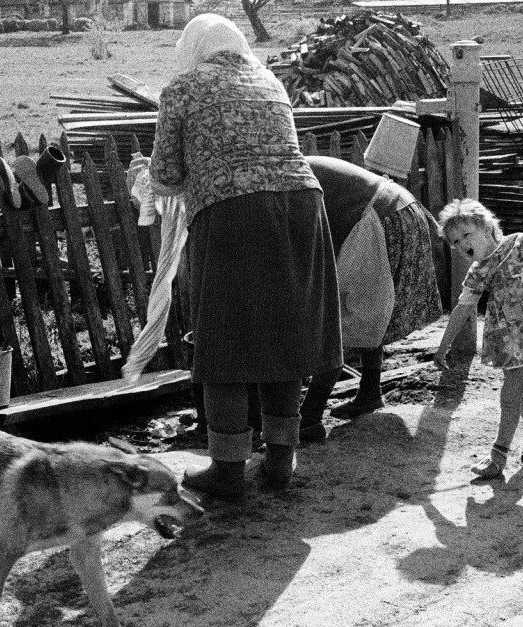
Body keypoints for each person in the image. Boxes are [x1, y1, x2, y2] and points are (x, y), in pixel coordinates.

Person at [148, 14, 342, 502]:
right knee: (281, 333)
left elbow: (167, 175)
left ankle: (228, 469)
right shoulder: (270, 80)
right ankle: (280, 460)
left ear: (193, 47)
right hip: (302, 206)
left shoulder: (183, 87)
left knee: (225, 341)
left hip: (234, 213)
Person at [432, 198, 523, 479]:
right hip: (508, 337)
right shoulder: (479, 271)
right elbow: (463, 309)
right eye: (454, 242)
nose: (462, 244)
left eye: (467, 235)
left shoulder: (520, 245)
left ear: (487, 228)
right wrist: (443, 347)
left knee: (510, 392)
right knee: (519, 388)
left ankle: (498, 456)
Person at [298, 155, 443, 442]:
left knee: (344, 317)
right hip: (400, 208)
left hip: (377, 217)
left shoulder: (287, 178)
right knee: (369, 309)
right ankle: (369, 392)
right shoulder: (295, 166)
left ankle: (310, 417)